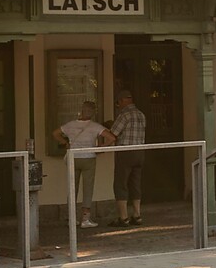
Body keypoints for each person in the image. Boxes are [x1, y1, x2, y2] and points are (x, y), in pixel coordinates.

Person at [54, 100, 108, 229]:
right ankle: (85, 219)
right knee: (88, 188)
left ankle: (71, 218)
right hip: (88, 157)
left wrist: (66, 143)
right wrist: (101, 147)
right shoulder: (95, 126)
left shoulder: (70, 125)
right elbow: (111, 137)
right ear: (93, 113)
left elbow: (55, 133)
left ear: (81, 111)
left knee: (72, 188)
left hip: (73, 157)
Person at [110, 88, 148, 225]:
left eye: (118, 102)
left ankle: (123, 217)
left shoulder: (124, 115)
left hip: (125, 152)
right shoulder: (141, 115)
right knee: (135, 183)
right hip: (140, 151)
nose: (118, 105)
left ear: (122, 101)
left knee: (121, 183)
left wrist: (102, 145)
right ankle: (137, 215)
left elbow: (113, 134)